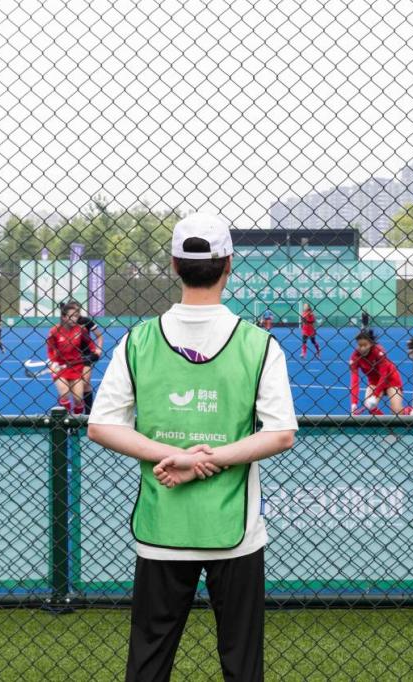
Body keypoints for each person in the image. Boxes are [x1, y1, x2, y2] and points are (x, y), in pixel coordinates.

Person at [87, 212, 297, 682]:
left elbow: (101, 426)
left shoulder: (137, 341)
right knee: (242, 664)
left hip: (162, 528)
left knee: (148, 661)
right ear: (229, 265)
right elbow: (280, 433)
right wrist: (211, 458)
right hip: (236, 531)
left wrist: (178, 458)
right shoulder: (259, 344)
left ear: (174, 265)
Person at [46, 300, 97, 415]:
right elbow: (50, 349)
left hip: (76, 367)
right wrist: (53, 362)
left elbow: (90, 343)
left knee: (78, 399)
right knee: (64, 394)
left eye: (76, 316)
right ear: (64, 317)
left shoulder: (81, 330)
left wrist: (94, 352)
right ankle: (66, 419)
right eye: (71, 316)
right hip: (60, 367)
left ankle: (75, 421)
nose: (74, 319)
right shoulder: (54, 331)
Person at [350, 329, 407, 415]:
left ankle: (407, 411)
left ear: (371, 344)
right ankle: (384, 422)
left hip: (391, 379)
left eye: (365, 345)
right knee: (370, 407)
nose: (362, 348)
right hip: (374, 382)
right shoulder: (355, 357)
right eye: (359, 345)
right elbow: (354, 382)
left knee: (397, 412)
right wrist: (354, 403)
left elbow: (384, 375)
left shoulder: (379, 351)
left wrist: (375, 396)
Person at [76, 306, 104, 413]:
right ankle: (77, 414)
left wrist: (99, 349)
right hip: (71, 357)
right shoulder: (66, 324)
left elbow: (99, 336)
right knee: (71, 386)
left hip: (86, 355)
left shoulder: (85, 321)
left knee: (84, 383)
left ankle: (88, 414)